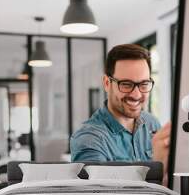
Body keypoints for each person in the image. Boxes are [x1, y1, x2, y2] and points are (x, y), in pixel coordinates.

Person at [70, 44, 171, 181]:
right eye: (126, 84)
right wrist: (158, 165)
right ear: (107, 83)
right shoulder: (88, 139)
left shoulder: (152, 124)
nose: (136, 94)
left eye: (143, 84)